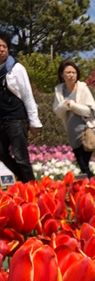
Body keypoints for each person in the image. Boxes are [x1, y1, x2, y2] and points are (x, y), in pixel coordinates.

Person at [0, 31, 41, 183]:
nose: (1, 49)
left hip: (16, 119)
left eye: (4, 46)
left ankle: (32, 188)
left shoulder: (16, 68)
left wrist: (34, 121)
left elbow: (27, 95)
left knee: (21, 156)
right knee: (2, 153)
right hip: (1, 119)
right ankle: (26, 181)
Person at [53, 60, 95, 178]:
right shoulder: (59, 90)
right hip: (72, 132)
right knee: (82, 163)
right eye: (68, 72)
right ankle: (88, 184)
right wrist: (64, 105)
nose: (71, 75)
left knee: (84, 164)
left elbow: (89, 110)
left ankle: (91, 184)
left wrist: (72, 105)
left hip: (87, 130)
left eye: (74, 72)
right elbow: (57, 112)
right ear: (62, 75)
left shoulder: (83, 88)